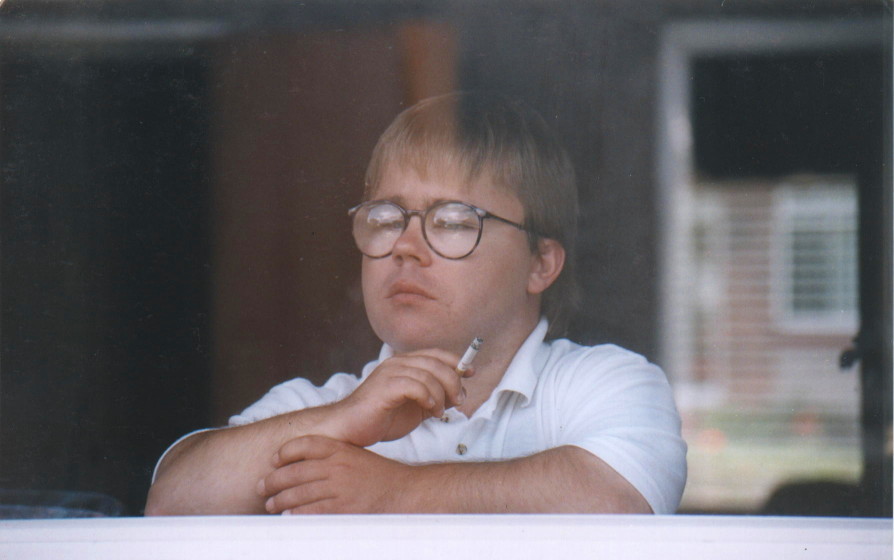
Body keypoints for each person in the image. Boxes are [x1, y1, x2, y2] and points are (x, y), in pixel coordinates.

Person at [145, 91, 686, 516]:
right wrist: (347, 417)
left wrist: (396, 493)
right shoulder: (326, 407)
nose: (405, 247)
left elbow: (618, 496)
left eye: (451, 222)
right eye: (385, 219)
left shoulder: (605, 382)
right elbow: (171, 503)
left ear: (541, 263)